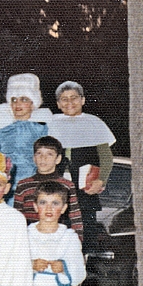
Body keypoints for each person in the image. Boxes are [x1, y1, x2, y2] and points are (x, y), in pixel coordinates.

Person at [47, 80, 116, 250]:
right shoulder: (51, 123)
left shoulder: (94, 123)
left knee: (86, 232)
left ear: (83, 100)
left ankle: (84, 268)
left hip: (85, 186)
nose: (69, 102)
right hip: (58, 185)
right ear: (58, 103)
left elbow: (106, 157)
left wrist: (101, 180)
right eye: (64, 99)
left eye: (74, 98)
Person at [12, 136, 84, 237]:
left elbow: (75, 218)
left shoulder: (67, 185)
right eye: (39, 153)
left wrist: (77, 242)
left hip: (57, 238)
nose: (43, 158)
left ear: (58, 159)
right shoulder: (23, 185)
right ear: (34, 158)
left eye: (49, 154)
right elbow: (17, 218)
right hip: (30, 239)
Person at [0, 74, 50, 187]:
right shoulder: (0, 129)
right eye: (14, 100)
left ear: (32, 103)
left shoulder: (42, 128)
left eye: (24, 99)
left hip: (34, 183)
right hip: (5, 185)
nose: (17, 104)